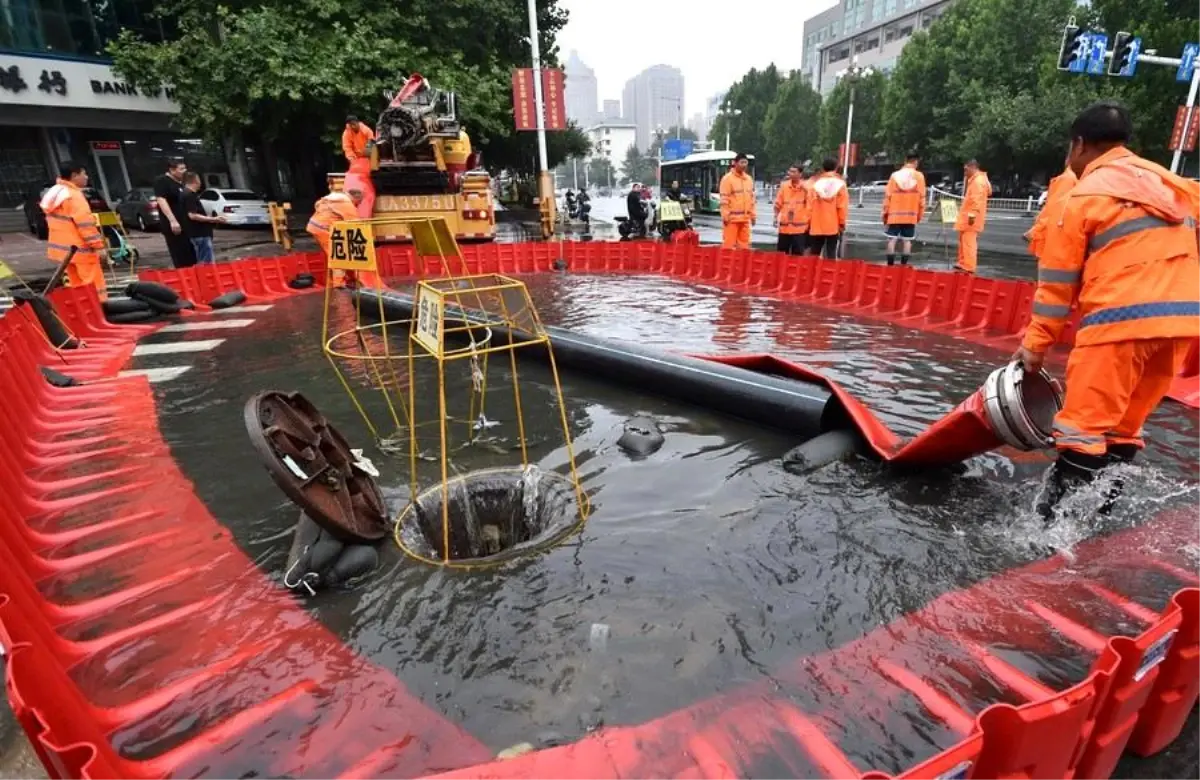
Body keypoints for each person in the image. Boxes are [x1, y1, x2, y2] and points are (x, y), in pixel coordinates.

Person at [1012, 101, 1200, 517]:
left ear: (1078, 145)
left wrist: (1035, 346)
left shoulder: (1081, 196)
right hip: (1182, 324)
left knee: (1081, 430)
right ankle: (1097, 522)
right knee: (1123, 428)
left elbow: (1056, 288)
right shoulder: (1173, 185)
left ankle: (1050, 536)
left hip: (1119, 323)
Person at [40, 160, 108, 299]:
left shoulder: (56, 193)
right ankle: (99, 311)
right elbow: (85, 224)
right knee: (93, 286)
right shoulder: (73, 196)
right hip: (82, 249)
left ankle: (85, 313)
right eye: (84, 174)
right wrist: (98, 246)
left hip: (66, 252)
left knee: (77, 286)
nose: (87, 177)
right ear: (74, 175)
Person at [307, 187, 382, 288]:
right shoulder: (346, 204)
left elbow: (317, 205)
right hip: (324, 230)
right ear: (355, 198)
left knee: (333, 254)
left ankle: (340, 280)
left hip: (315, 227)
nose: (358, 205)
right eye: (359, 202)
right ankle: (338, 284)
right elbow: (354, 224)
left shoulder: (333, 198)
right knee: (338, 255)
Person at [1024, 160, 1077, 260]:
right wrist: (1035, 231)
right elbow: (1055, 209)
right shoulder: (1069, 179)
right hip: (1059, 242)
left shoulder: (1072, 179)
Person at [882, 152, 927, 266]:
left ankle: (890, 264)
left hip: (894, 215)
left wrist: (885, 214)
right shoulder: (919, 176)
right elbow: (922, 199)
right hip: (910, 215)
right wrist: (919, 216)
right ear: (916, 162)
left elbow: (888, 197)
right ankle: (903, 265)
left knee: (892, 239)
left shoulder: (894, 175)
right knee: (907, 240)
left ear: (905, 160)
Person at [154, 158, 195, 268]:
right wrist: (173, 221)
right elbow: (162, 200)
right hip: (174, 225)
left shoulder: (180, 183)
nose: (184, 171)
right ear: (172, 170)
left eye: (185, 168)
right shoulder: (162, 181)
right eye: (181, 169)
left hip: (185, 223)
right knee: (180, 253)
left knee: (191, 253)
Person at [954, 159, 991, 273]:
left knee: (969, 242)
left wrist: (971, 216)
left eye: (966, 169)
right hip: (969, 217)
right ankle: (963, 262)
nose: (964, 172)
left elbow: (976, 201)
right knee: (964, 241)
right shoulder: (978, 180)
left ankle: (969, 265)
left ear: (972, 167)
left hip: (971, 218)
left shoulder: (977, 181)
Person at [806, 158, 848, 259]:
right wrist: (842, 224)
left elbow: (809, 207)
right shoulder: (840, 184)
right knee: (831, 253)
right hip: (833, 225)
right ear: (836, 168)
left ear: (823, 168)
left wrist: (808, 223)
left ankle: (812, 273)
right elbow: (842, 207)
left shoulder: (815, 185)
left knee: (814, 252)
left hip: (816, 224)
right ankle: (829, 273)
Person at [181, 172, 226, 264]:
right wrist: (214, 219)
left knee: (203, 258)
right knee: (206, 261)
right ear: (195, 181)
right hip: (199, 233)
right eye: (199, 180)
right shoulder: (189, 195)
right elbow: (192, 215)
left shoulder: (185, 194)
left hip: (196, 232)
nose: (200, 183)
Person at [719, 153, 756, 249]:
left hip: (744, 219)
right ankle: (726, 263)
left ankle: (741, 264)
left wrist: (753, 215)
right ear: (735, 163)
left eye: (745, 162)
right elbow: (724, 199)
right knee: (728, 246)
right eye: (742, 162)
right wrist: (725, 216)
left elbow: (751, 199)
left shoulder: (748, 179)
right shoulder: (727, 179)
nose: (744, 165)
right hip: (732, 220)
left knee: (744, 247)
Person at [773, 164, 809, 255]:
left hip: (799, 229)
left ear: (800, 174)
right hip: (784, 227)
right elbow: (778, 203)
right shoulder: (784, 186)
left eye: (794, 172)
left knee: (797, 257)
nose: (790, 173)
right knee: (781, 255)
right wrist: (775, 217)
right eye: (790, 171)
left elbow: (811, 204)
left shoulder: (806, 188)